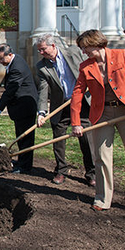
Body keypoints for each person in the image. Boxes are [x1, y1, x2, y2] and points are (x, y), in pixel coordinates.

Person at [70, 29, 125, 217]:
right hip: (101, 114)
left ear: (97, 43)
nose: (84, 52)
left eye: (86, 48)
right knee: (102, 157)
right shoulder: (85, 66)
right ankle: (102, 198)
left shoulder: (121, 56)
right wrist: (76, 123)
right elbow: (77, 94)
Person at [35, 34, 95, 186]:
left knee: (86, 139)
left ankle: (91, 173)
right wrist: (41, 113)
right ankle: (61, 170)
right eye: (39, 51)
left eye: (43, 49)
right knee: (58, 139)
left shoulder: (74, 52)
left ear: (53, 46)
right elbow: (43, 91)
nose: (41, 53)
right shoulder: (42, 67)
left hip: (81, 104)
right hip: (60, 107)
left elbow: (90, 68)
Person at [0, 43, 38, 174]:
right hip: (20, 107)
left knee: (26, 137)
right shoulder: (14, 61)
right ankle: (22, 161)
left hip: (25, 106)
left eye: (2, 59)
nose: (0, 62)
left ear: (10, 54)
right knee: (21, 136)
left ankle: (25, 167)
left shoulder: (17, 67)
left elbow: (10, 90)